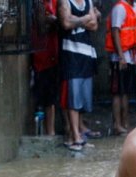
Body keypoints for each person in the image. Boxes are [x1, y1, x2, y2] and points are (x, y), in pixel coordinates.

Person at [58, 0, 101, 151]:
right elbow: (65, 24)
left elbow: (94, 25)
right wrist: (85, 19)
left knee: (83, 97)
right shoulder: (65, 2)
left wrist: (75, 20)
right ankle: (75, 136)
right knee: (73, 98)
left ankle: (78, 135)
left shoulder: (87, 2)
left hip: (86, 54)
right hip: (70, 55)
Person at [105, 0, 136, 136]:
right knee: (117, 92)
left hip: (132, 55)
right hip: (120, 57)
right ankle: (117, 124)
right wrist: (121, 56)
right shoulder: (120, 8)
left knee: (126, 91)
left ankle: (125, 123)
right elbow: (115, 31)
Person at [32, 0, 60, 136]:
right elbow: (41, 26)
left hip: (53, 56)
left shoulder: (55, 3)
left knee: (51, 99)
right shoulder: (38, 3)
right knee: (42, 99)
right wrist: (50, 20)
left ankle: (51, 132)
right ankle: (43, 132)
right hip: (40, 58)